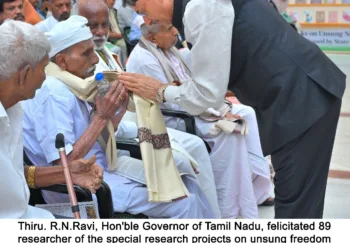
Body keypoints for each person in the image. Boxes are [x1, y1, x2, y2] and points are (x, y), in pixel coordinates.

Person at [120, 0, 346, 218]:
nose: (148, 19)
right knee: (300, 199)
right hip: (303, 89)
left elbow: (207, 93)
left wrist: (159, 90)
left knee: (295, 205)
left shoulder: (200, 6)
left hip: (300, 97)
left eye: (144, 10)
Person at [22, 15, 215, 219]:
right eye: (86, 53)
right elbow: (64, 162)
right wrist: (102, 117)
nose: (95, 60)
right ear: (62, 61)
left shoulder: (76, 83)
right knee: (184, 203)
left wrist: (119, 107)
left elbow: (96, 138)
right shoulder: (54, 92)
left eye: (93, 52)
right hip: (83, 188)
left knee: (186, 181)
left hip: (105, 170)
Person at [74, 0, 221, 218]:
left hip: (129, 121)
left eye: (105, 25)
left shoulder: (107, 52)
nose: (100, 32)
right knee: (182, 163)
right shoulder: (76, 65)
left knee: (196, 147)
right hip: (118, 133)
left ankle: (215, 220)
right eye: (92, 26)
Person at [127, 20, 274, 218]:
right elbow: (170, 103)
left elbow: (188, 86)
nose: (175, 32)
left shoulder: (168, 50)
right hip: (173, 119)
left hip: (192, 109)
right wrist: (219, 113)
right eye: (169, 29)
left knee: (247, 113)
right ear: (153, 37)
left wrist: (219, 108)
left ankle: (255, 188)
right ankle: (227, 208)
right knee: (230, 132)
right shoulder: (145, 59)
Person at [0, 20, 103, 219]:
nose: (46, 77)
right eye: (45, 68)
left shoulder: (13, 107)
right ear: (25, 74)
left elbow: (12, 177)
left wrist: (66, 172)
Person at [104, 0, 128, 66]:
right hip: (109, 38)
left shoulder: (114, 11)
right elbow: (105, 32)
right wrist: (117, 35)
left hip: (119, 34)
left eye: (114, 0)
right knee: (121, 45)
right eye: (110, 0)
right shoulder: (101, 13)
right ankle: (122, 66)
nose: (112, 2)